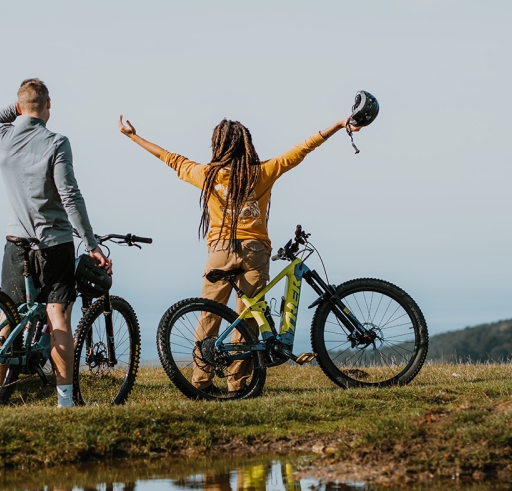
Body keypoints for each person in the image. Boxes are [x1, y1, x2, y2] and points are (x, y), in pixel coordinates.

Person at [118, 111, 361, 394]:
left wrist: (132, 135)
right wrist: (335, 125)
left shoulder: (206, 175)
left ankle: (201, 382)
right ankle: (238, 384)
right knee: (247, 317)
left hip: (220, 250)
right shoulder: (262, 172)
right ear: (247, 144)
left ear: (217, 146)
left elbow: (170, 158)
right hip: (255, 252)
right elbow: (301, 150)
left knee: (209, 315)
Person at [0, 79, 111, 407]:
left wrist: (16, 109)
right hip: (54, 243)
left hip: (16, 243)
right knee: (58, 318)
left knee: (6, 317)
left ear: (19, 106)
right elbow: (70, 195)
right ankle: (64, 399)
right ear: (49, 104)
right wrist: (92, 242)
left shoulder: (2, 138)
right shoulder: (57, 142)